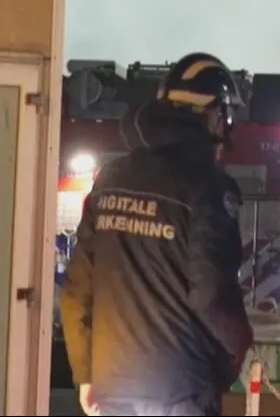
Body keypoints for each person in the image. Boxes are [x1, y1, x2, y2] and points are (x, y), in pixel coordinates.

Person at [60, 52, 253, 417]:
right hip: (180, 392)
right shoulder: (209, 187)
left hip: (111, 390)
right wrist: (238, 348)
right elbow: (212, 295)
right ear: (215, 115)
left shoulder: (112, 177)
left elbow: (77, 289)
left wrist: (86, 373)